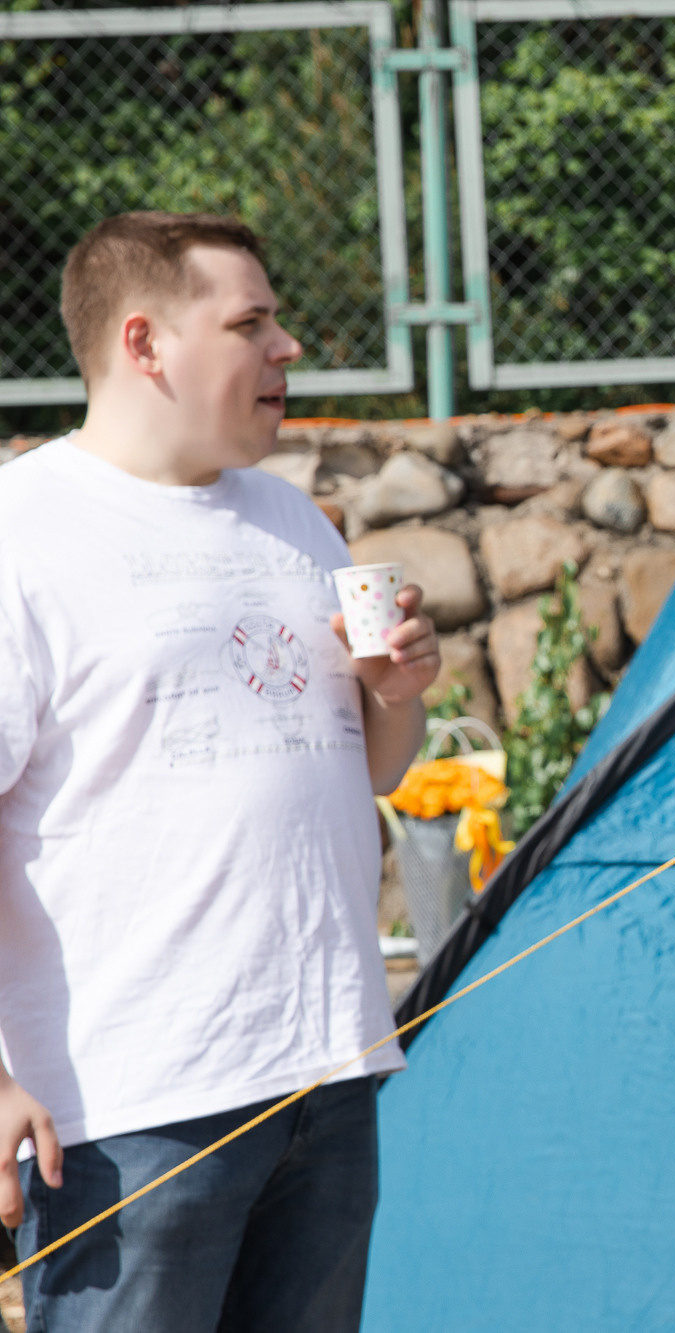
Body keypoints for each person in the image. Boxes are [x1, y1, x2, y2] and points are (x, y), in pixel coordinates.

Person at [0, 213, 438, 1330]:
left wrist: (399, 692)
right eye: (250, 322)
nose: (287, 347)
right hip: (133, 1110)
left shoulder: (294, 519)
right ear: (144, 343)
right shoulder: (27, 535)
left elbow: (373, 771)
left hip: (328, 1078)